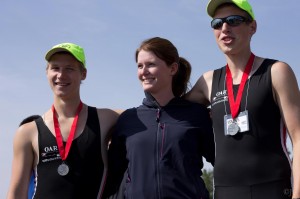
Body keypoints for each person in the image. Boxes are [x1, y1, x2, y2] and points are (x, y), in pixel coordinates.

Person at [185, 0, 300, 198]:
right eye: (217, 23)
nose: (225, 28)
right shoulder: (208, 81)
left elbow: (298, 137)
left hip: (272, 189)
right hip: (225, 191)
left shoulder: (276, 71)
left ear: (252, 27)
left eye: (234, 20)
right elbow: (170, 112)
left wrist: (298, 193)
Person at [103, 37, 215, 199]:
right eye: (140, 66)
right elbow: (113, 177)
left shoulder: (197, 115)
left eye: (151, 64)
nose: (144, 71)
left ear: (173, 68)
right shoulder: (128, 119)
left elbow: (222, 162)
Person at [7, 42, 120, 199]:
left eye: (69, 68)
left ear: (84, 74)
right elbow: (16, 194)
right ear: (47, 72)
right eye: (55, 68)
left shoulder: (105, 120)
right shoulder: (28, 132)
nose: (61, 75)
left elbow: (143, 116)